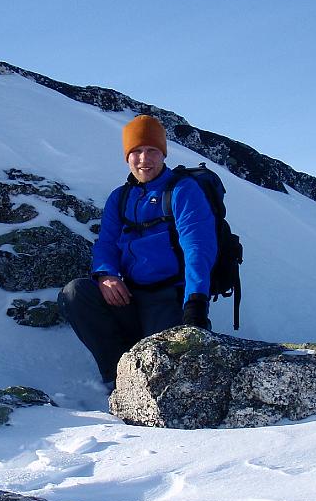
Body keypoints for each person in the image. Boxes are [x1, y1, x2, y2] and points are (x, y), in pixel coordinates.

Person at [58, 114, 217, 385]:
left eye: (152, 150)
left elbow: (197, 247)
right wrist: (106, 275)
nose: (144, 159)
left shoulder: (182, 190)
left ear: (163, 154)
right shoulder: (119, 197)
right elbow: (106, 243)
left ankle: (142, 376)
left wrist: (195, 302)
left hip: (169, 298)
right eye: (137, 151)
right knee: (75, 294)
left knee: (166, 376)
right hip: (129, 296)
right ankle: (118, 378)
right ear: (127, 157)